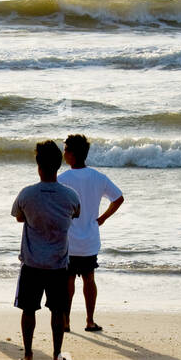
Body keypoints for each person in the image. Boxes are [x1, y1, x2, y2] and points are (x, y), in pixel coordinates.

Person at [10, 140, 80, 360]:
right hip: (58, 263)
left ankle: (28, 354)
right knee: (58, 311)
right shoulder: (70, 196)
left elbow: (19, 217)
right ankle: (57, 355)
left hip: (32, 262)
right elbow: (75, 214)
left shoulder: (27, 194)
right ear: (58, 166)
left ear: (38, 166)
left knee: (28, 309)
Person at [58, 134, 123, 333]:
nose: (64, 153)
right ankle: (89, 320)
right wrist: (102, 218)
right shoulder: (98, 177)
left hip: (69, 239)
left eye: (66, 150)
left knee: (68, 280)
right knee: (89, 278)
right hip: (90, 238)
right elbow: (118, 198)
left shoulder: (62, 179)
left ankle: (66, 321)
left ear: (73, 154)